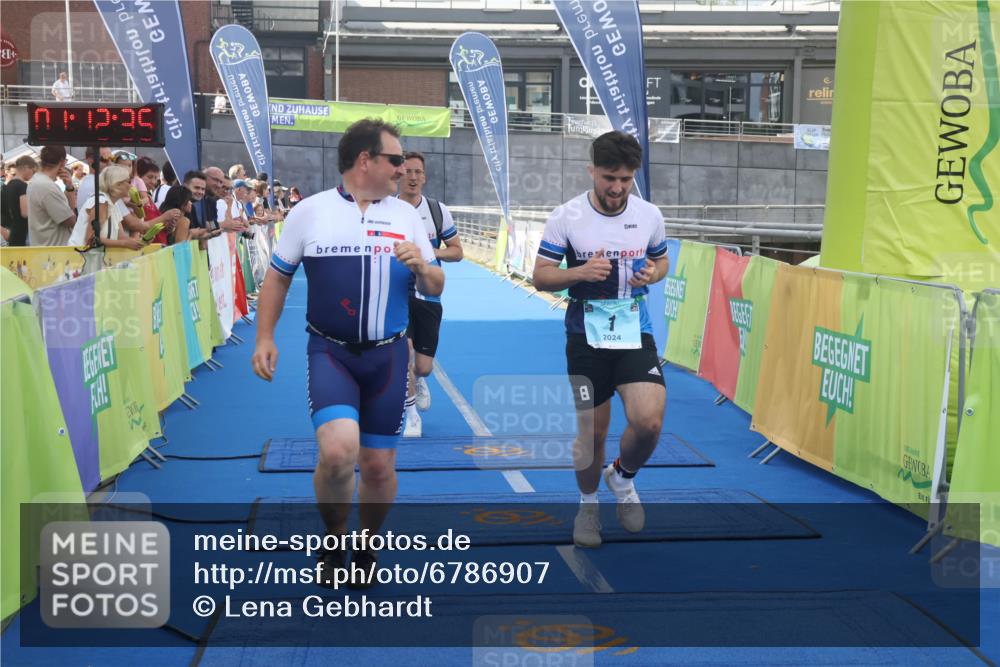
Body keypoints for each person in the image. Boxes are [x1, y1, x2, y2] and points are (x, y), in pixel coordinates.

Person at [251, 118, 443, 586]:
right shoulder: (310, 212)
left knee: (377, 466)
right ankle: (334, 535)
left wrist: (421, 266)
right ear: (365, 161)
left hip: (389, 357)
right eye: (395, 160)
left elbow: (436, 286)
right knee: (338, 455)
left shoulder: (406, 216)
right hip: (331, 353)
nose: (403, 170)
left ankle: (367, 546)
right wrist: (264, 337)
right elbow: (278, 276)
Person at [531, 131, 670, 549]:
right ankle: (587, 505)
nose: (617, 188)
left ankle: (622, 479)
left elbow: (662, 259)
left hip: (634, 329)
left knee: (648, 421)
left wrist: (654, 274)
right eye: (609, 177)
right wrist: (578, 274)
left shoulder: (649, 215)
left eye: (626, 179)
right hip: (585, 335)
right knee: (592, 434)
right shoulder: (567, 217)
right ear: (591, 170)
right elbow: (540, 276)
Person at [396, 150, 464, 437]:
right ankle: (410, 415)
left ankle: (419, 379)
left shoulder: (437, 210)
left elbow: (458, 252)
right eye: (407, 171)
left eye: (417, 172)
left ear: (424, 177)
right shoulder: (387, 210)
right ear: (398, 174)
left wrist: (428, 253)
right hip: (397, 293)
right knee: (405, 353)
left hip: (429, 294)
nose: (412, 177)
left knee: (422, 366)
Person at [68, 165, 144, 250]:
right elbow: (91, 240)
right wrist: (125, 243)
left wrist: (142, 242)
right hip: (80, 259)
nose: (131, 186)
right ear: (117, 184)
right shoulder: (101, 202)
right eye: (128, 182)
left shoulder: (113, 204)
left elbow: (121, 237)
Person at [26, 145, 78, 246]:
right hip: (54, 253)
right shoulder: (47, 187)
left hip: (45, 249)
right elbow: (70, 221)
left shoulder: (36, 180)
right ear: (63, 162)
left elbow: (66, 212)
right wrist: (70, 189)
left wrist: (69, 187)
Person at [1, 155, 37, 247]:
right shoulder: (22, 186)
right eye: (33, 171)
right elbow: (25, 213)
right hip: (21, 233)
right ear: (26, 168)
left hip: (10, 230)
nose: (33, 174)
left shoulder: (7, 186)